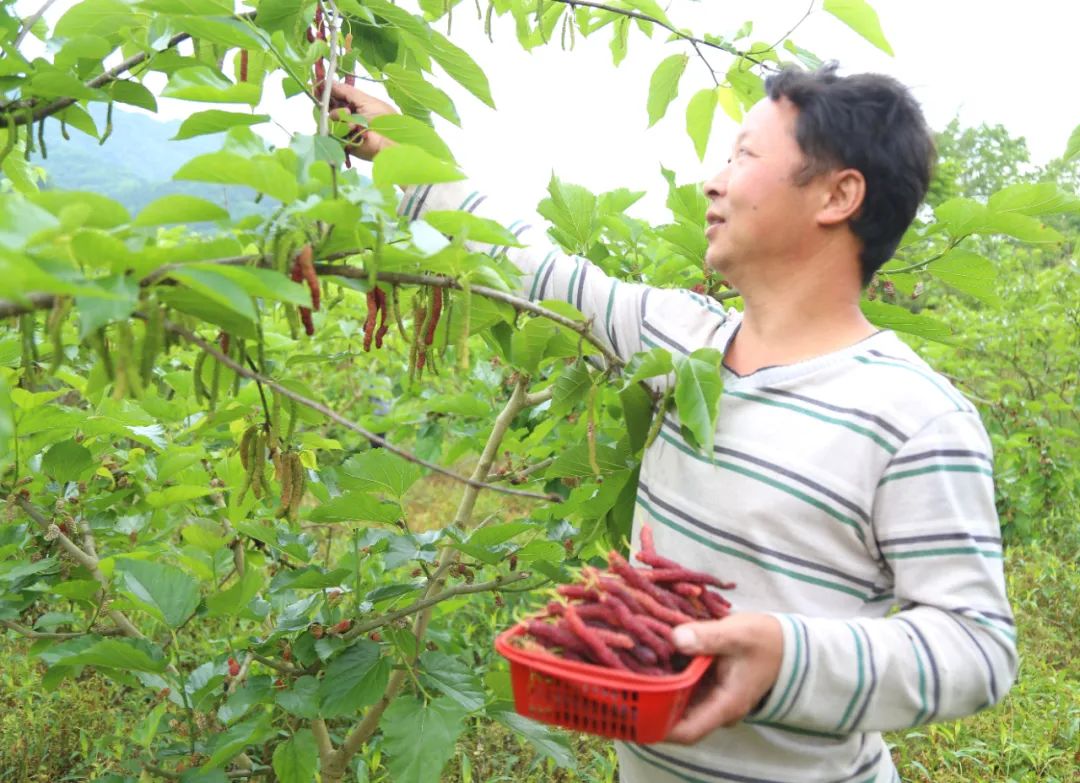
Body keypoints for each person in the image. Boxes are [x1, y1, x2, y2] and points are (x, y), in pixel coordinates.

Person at [331, 65, 1017, 782]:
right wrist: (397, 151)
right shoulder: (682, 342)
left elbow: (978, 647)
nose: (712, 182)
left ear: (839, 194)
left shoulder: (916, 416)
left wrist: (786, 655)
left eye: (744, 157)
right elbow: (535, 266)